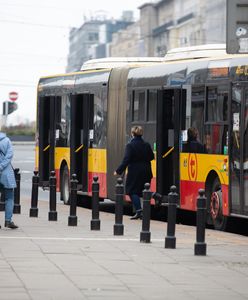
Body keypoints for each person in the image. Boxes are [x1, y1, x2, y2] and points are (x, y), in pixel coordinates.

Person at [114, 126, 154, 220]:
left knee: (131, 191)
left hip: (135, 171)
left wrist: (118, 170)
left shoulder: (130, 145)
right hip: (146, 170)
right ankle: (154, 195)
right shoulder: (146, 144)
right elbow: (152, 157)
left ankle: (139, 211)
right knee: (143, 190)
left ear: (132, 134)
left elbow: (126, 160)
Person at [0, 132, 18, 229]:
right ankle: (8, 221)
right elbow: (9, 155)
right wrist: (1, 166)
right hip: (6, 173)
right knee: (9, 197)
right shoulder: (6, 141)